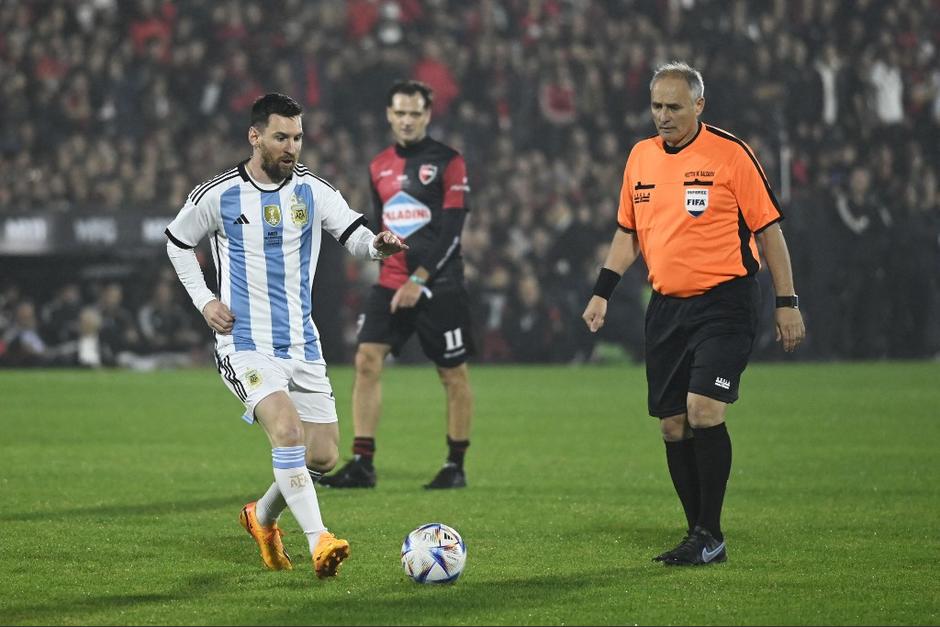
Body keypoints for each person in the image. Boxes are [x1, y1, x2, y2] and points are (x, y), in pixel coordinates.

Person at [164, 93, 407, 578]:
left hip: (303, 343)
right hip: (245, 344)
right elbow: (176, 242)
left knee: (323, 455)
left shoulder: (313, 190)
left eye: (297, 137)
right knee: (288, 432)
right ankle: (320, 540)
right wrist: (205, 301)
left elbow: (355, 235)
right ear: (255, 137)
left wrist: (378, 246)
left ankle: (261, 517)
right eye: (281, 137)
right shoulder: (218, 194)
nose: (291, 147)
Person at [582, 62, 805, 566]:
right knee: (673, 426)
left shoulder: (731, 154)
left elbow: (769, 231)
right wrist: (602, 292)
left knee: (704, 411)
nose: (663, 116)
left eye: (674, 107)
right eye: (656, 106)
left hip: (725, 302)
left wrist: (787, 302)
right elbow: (628, 232)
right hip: (666, 308)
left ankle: (710, 532)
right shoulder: (640, 157)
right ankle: (698, 535)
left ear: (699, 105)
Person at [320, 80, 475, 490]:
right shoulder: (379, 165)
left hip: (441, 284)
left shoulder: (449, 162)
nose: (407, 120)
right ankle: (363, 462)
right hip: (391, 282)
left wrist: (420, 279)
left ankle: (455, 466)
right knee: (366, 360)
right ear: (390, 115)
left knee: (452, 374)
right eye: (400, 113)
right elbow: (383, 227)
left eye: (415, 113)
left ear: (427, 115)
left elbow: (452, 232)